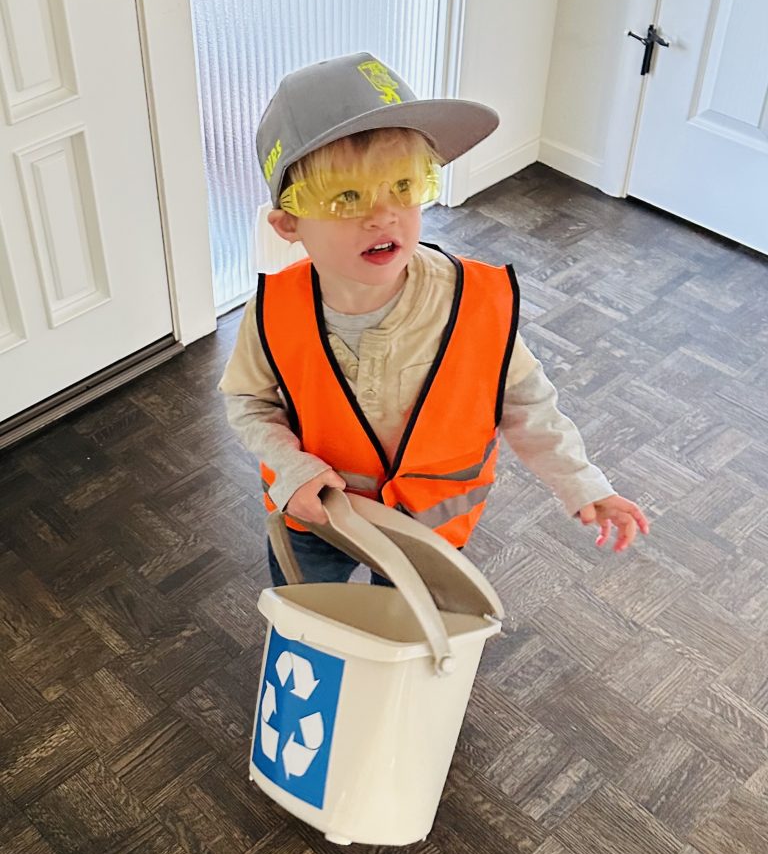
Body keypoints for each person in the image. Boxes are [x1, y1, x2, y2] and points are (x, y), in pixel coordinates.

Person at [219, 52, 649, 586]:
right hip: (318, 520)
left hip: (428, 531)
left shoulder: (472, 304)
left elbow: (527, 402)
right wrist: (291, 467)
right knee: (313, 622)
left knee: (410, 635)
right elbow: (248, 401)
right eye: (346, 197)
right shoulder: (274, 310)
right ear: (288, 224)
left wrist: (581, 481)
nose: (383, 214)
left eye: (403, 186)